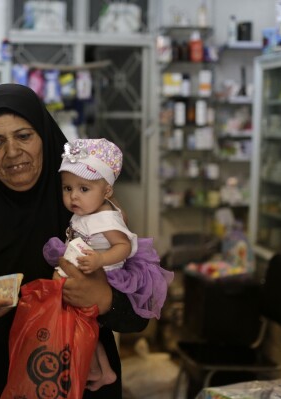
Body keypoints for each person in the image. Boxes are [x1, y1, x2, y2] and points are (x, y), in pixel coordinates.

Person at [0, 83, 149, 399]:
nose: (12, 153)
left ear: (45, 137)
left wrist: (104, 299)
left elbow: (140, 315)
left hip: (76, 377)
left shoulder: (86, 204)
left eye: (23, 136)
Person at [43, 138, 174, 392]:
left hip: (103, 274)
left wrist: (100, 260)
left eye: (83, 189)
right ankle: (103, 371)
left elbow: (124, 246)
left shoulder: (105, 219)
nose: (73, 197)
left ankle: (98, 370)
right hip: (86, 264)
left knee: (76, 320)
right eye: (67, 188)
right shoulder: (89, 211)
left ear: (107, 192)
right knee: (87, 328)